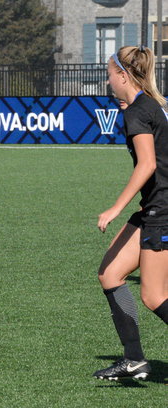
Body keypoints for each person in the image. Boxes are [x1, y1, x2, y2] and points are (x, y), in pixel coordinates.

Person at [95, 45, 168, 381]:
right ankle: (134, 359)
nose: (107, 81)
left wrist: (115, 207)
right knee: (110, 274)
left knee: (154, 296)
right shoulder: (148, 106)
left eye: (109, 74)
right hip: (152, 206)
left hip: (162, 210)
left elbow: (148, 164)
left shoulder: (139, 111)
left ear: (122, 76)